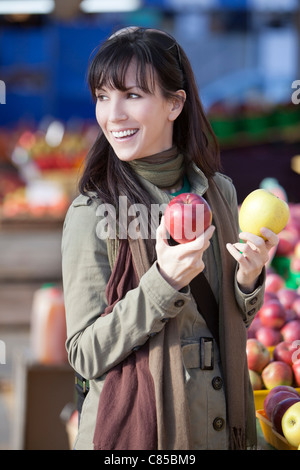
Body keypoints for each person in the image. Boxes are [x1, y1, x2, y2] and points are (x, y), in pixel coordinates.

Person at [61, 26, 278, 451]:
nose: (113, 115)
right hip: (140, 437)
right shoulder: (93, 213)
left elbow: (226, 322)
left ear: (175, 103)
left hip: (217, 429)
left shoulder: (220, 194)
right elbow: (84, 354)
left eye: (132, 96)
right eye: (103, 97)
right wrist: (164, 283)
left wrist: (249, 281)